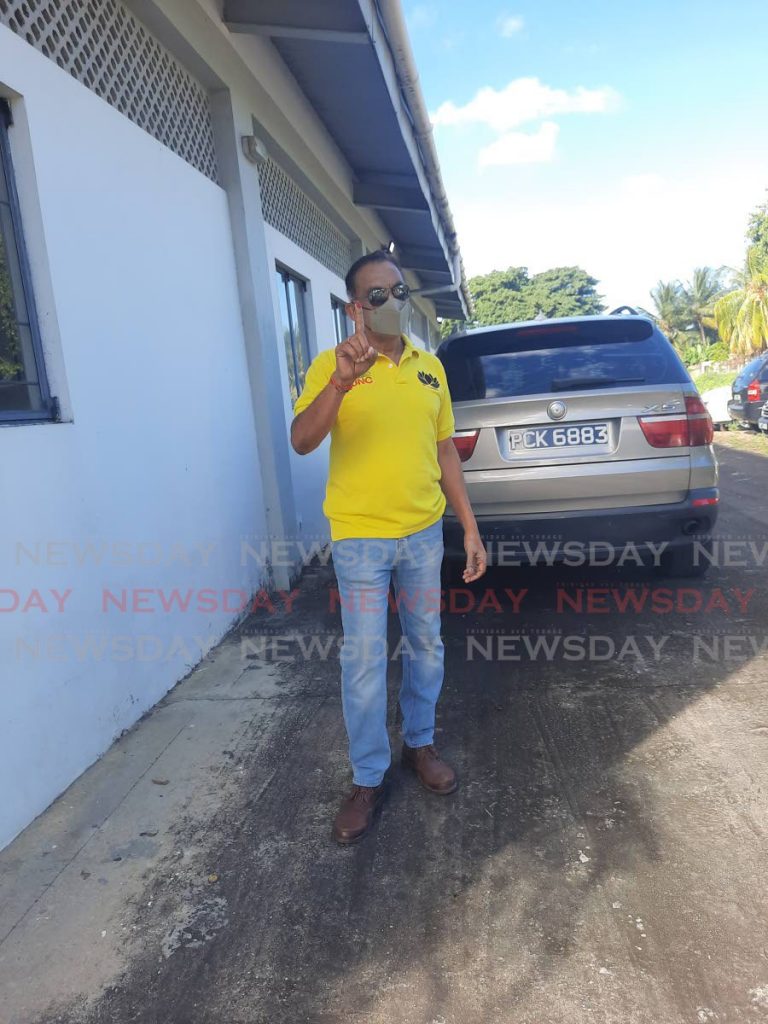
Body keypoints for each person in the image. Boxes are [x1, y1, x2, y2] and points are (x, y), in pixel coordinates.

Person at [290, 250, 486, 844]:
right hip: (360, 538)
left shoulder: (430, 368)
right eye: (376, 295)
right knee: (366, 659)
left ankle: (419, 746)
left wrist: (470, 528)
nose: (391, 302)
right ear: (355, 307)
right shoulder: (334, 363)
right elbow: (302, 440)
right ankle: (368, 777)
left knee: (426, 644)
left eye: (398, 291)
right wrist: (340, 386)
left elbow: (445, 451)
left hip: (423, 534)